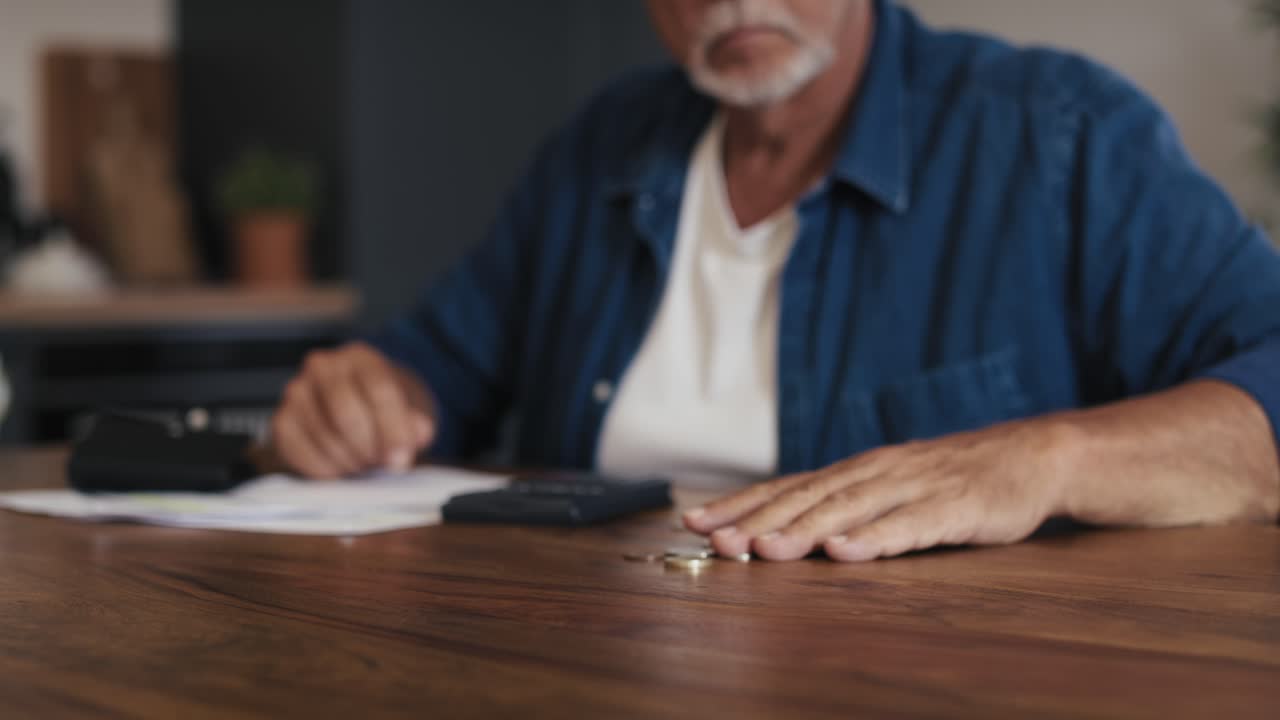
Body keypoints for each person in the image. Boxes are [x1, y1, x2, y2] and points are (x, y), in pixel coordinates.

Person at [271, 0, 1280, 562]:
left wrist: (1045, 460)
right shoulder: (601, 147)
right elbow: (431, 372)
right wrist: (371, 398)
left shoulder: (1058, 135)